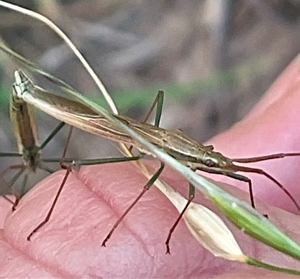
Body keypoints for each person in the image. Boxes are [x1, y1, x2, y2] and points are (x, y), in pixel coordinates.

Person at [1, 56, 300, 278]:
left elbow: (249, 178)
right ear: (202, 161)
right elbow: (188, 197)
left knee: (255, 171)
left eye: (214, 163)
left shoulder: (207, 159)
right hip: (135, 137)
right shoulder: (189, 165)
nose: (218, 167)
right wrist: (162, 234)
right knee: (83, 169)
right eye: (212, 165)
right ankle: (67, 219)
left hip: (154, 140)